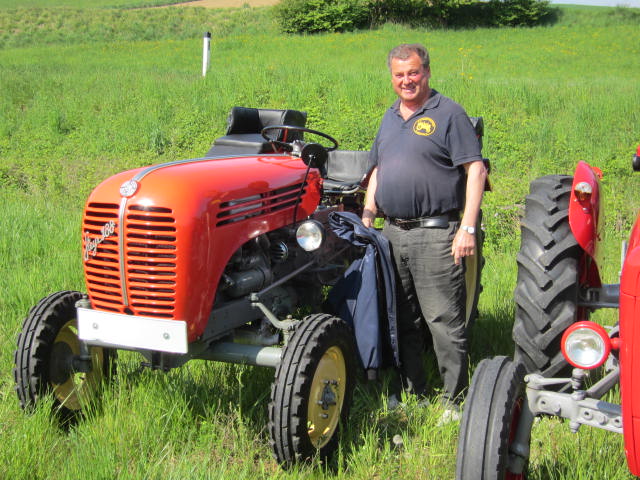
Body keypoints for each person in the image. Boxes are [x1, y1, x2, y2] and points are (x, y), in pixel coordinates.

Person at [362, 43, 487, 413]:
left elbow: (475, 170)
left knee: (443, 321)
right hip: (393, 233)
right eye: (399, 75)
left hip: (436, 234)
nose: (407, 81)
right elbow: (378, 171)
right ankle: (412, 392)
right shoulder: (388, 118)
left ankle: (455, 400)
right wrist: (368, 214)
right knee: (402, 318)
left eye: (413, 73)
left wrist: (466, 228)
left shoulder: (449, 113)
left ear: (427, 73)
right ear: (392, 78)